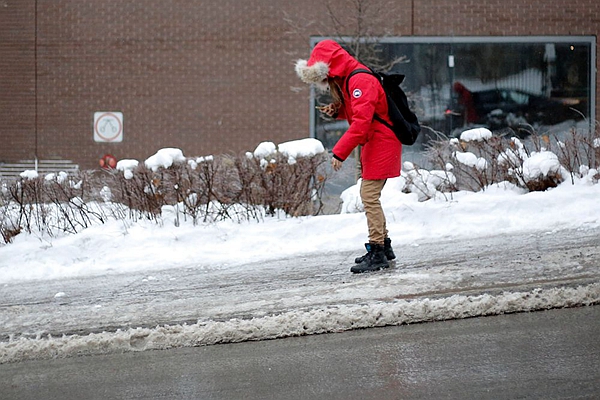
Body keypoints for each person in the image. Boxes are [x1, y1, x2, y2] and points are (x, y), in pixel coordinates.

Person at [295, 39, 400, 273]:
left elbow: (362, 123)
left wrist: (339, 153)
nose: (327, 83)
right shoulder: (353, 79)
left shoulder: (359, 79)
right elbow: (363, 110)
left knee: (369, 196)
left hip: (381, 143)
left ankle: (378, 252)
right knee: (370, 196)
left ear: (330, 66)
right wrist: (340, 110)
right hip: (376, 143)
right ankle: (384, 247)